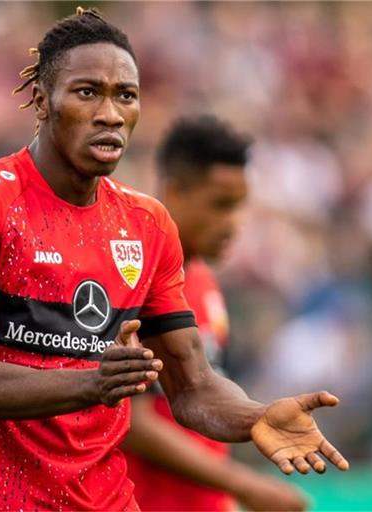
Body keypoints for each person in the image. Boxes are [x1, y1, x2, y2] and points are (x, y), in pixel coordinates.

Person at [0, 7, 348, 511]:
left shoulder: (147, 224)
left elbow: (192, 387)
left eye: (126, 95)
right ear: (42, 100)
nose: (111, 114)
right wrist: (94, 382)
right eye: (87, 92)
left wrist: (256, 417)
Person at [123, 116, 307, 511]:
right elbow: (132, 421)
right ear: (174, 191)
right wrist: (244, 485)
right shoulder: (132, 280)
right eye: (221, 205)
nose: (234, 223)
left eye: (240, 207)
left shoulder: (204, 282)